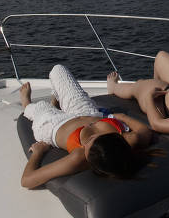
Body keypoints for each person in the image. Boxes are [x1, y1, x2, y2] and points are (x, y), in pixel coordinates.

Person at [20, 64, 153, 188]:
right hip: (87, 111)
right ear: (115, 139)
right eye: (98, 137)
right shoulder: (129, 140)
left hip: (54, 125)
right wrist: (122, 117)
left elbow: (27, 180)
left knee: (39, 108)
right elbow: (145, 131)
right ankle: (56, 101)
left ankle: (27, 104)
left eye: (88, 143)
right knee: (58, 70)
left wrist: (38, 153)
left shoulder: (78, 158)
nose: (91, 136)